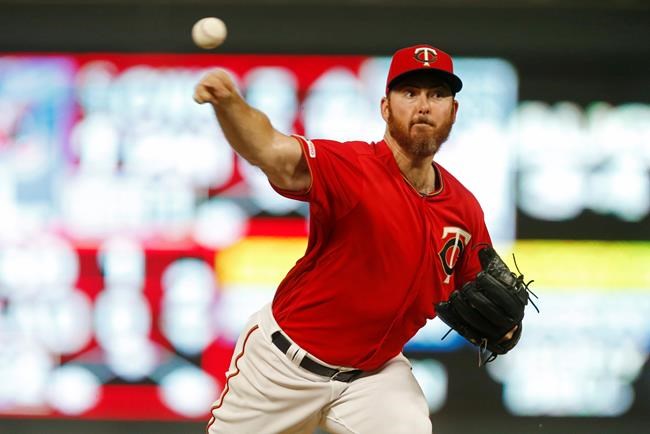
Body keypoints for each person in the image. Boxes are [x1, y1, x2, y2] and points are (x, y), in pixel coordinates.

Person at [195, 44, 515, 434]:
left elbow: (486, 290)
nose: (424, 105)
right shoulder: (352, 170)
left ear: (454, 111)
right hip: (282, 368)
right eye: (409, 92)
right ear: (385, 107)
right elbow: (271, 151)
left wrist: (508, 329)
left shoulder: (463, 210)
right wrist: (229, 105)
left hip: (373, 378)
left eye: (437, 94)